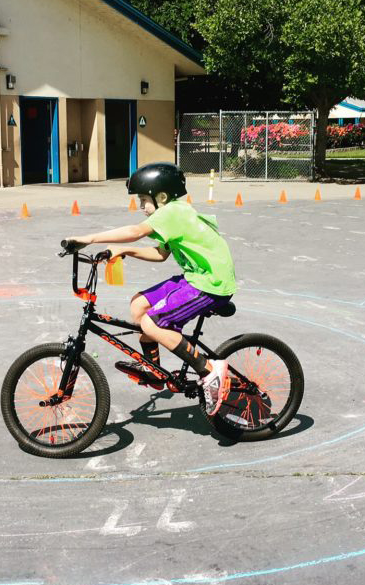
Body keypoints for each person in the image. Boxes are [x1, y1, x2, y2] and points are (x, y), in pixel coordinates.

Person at [64, 163, 236, 415]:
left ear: (162, 197)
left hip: (211, 282)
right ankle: (153, 369)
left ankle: (210, 372)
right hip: (195, 277)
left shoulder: (174, 211)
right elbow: (160, 254)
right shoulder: (174, 214)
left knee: (152, 324)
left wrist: (87, 238)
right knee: (138, 304)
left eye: (144, 200)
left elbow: (135, 232)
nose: (141, 206)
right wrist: (126, 251)